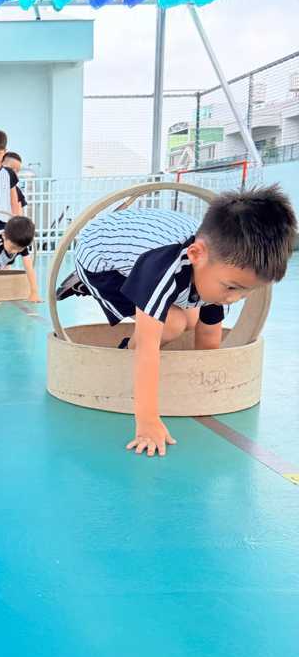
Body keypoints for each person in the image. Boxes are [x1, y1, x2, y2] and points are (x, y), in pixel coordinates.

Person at [56, 185, 298, 457]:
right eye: (232, 288)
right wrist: (147, 421)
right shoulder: (163, 268)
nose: (235, 299)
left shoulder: (220, 270)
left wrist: (205, 390)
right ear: (195, 255)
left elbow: (208, 337)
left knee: (192, 318)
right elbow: (148, 347)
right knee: (172, 324)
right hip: (101, 259)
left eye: (247, 291)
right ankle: (91, 298)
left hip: (147, 246)